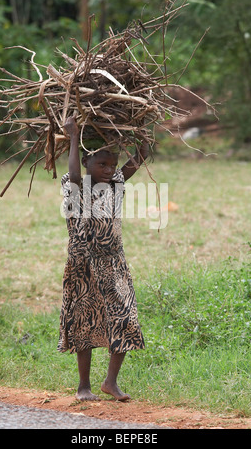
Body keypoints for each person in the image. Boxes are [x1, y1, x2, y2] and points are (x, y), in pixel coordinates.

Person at [58, 116, 149, 401]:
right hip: (83, 264)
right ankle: (83, 386)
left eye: (112, 164)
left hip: (113, 262)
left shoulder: (116, 182)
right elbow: (74, 176)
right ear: (85, 162)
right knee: (84, 321)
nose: (109, 170)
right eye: (102, 164)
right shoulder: (74, 183)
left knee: (125, 317)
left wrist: (141, 131)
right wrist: (73, 136)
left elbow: (142, 156)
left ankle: (111, 382)